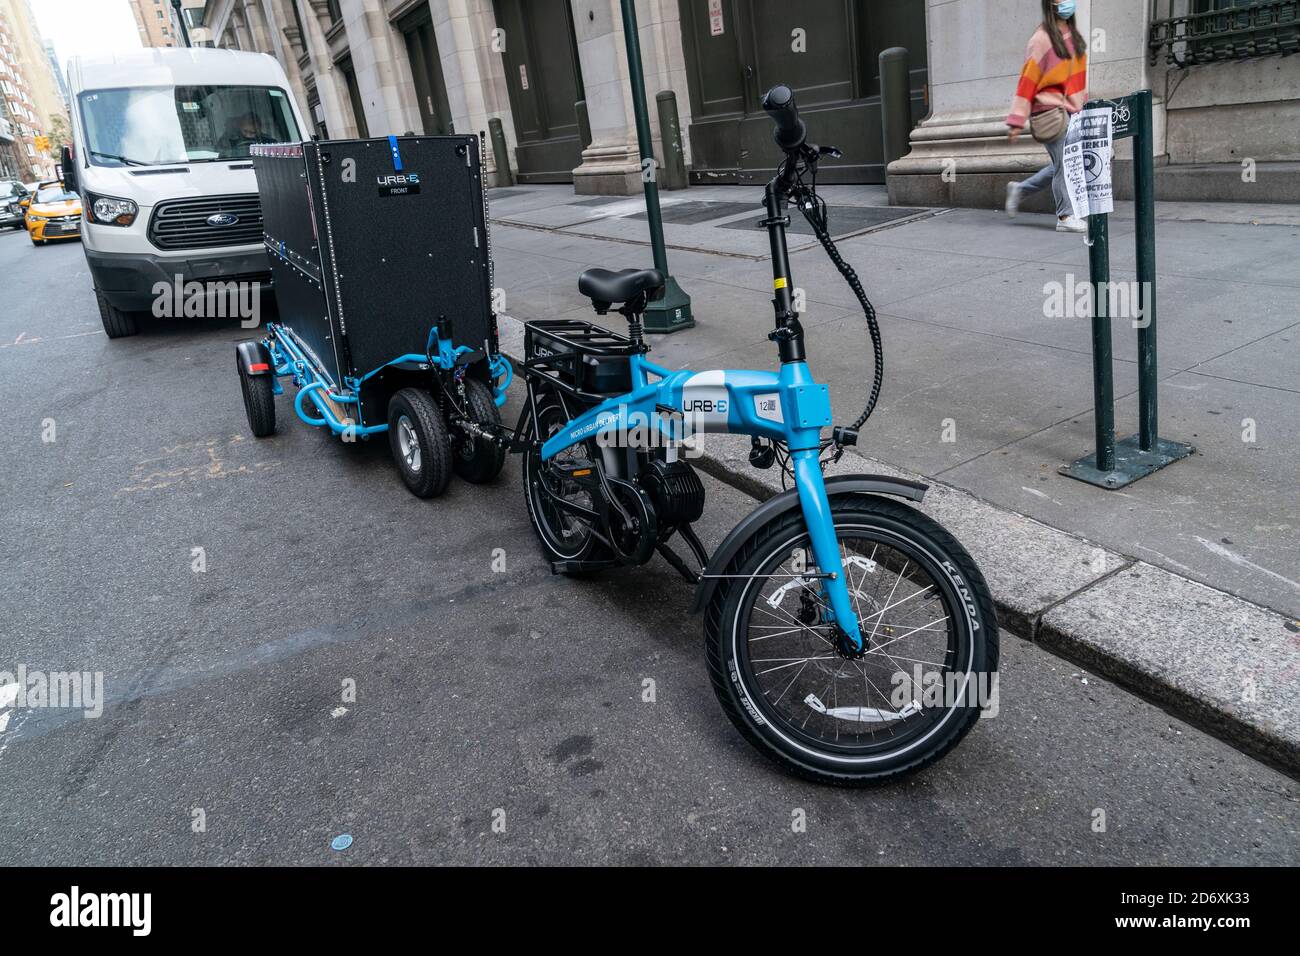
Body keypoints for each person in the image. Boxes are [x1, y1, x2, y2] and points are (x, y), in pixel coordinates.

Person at [1004, 0, 1089, 233]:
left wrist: (1084, 104)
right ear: (1051, 3)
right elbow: (1027, 82)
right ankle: (1065, 217)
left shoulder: (1073, 36)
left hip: (1074, 112)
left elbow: (1077, 77)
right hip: (1051, 112)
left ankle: (1020, 190)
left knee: (1064, 164)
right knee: (1066, 165)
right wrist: (1016, 121)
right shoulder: (1040, 40)